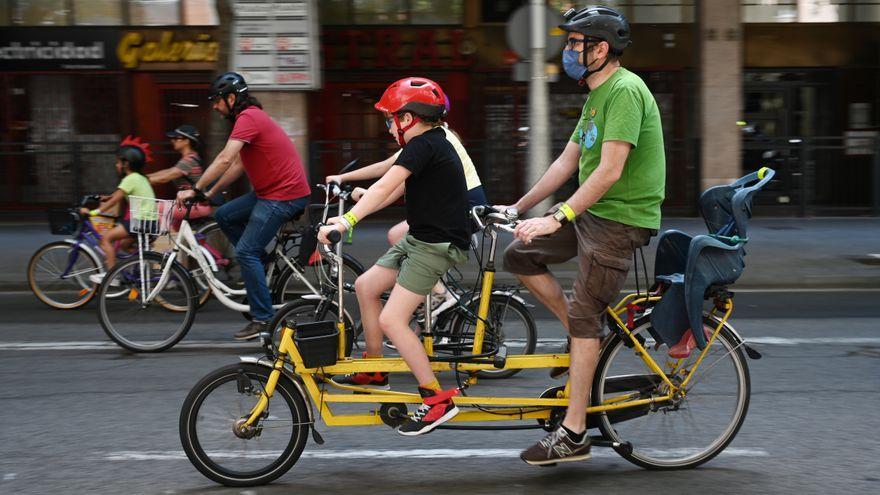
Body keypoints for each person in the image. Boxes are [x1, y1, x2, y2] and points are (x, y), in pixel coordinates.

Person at [499, 6, 666, 465]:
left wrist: (558, 216)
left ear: (601, 49)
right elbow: (567, 162)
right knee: (519, 255)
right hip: (593, 213)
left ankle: (573, 435)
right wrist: (517, 207)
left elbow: (610, 171)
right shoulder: (597, 96)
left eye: (576, 43)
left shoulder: (625, 91)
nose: (568, 50)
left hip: (619, 219)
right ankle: (580, 333)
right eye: (569, 42)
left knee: (586, 315)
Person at [317, 77, 470, 436]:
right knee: (366, 286)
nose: (388, 126)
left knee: (393, 320)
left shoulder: (423, 146)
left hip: (436, 246)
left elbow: (387, 185)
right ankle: (375, 367)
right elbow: (392, 191)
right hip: (419, 238)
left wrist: (346, 221)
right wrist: (358, 206)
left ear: (409, 119)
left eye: (390, 119)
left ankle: (437, 399)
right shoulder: (428, 144)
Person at [176, 72, 311, 341]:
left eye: (216, 101)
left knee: (246, 251)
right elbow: (238, 164)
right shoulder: (247, 119)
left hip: (283, 195)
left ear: (230, 98)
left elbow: (226, 158)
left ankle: (263, 319)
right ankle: (258, 263)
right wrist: (211, 192)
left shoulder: (249, 117)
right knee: (225, 214)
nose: (214, 107)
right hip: (268, 193)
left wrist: (197, 188)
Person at [324, 98, 487, 316]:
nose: (390, 128)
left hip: (465, 207)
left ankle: (441, 294)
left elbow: (388, 175)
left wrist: (349, 211)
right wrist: (349, 184)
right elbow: (393, 180)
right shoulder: (431, 138)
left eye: (391, 121)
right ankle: (427, 306)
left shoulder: (429, 142)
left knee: (397, 235)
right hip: (448, 209)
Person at [83, 136, 157, 285]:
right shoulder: (140, 178)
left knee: (106, 238)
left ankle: (112, 276)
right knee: (124, 245)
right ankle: (138, 266)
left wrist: (92, 212)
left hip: (139, 221)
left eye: (118, 162)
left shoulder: (129, 179)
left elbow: (114, 200)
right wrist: (103, 198)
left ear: (126, 164)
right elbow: (115, 195)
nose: (116, 165)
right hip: (150, 222)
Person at [147, 124, 212, 229]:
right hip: (191, 204)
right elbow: (169, 171)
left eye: (176, 138)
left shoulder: (189, 160)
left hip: (195, 205)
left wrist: (141, 180)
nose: (173, 140)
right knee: (178, 232)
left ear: (187, 141)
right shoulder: (190, 158)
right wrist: (143, 177)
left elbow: (165, 177)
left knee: (154, 208)